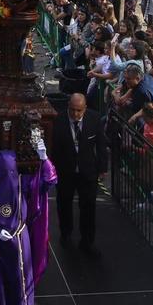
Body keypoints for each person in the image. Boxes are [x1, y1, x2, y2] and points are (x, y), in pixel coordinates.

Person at [0, 141, 57, 305]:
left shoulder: (21, 184)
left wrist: (44, 158)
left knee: (19, 278)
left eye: (12, 169)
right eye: (7, 170)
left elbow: (49, 181)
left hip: (19, 242)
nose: (10, 174)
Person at [50, 93, 107, 257]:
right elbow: (53, 147)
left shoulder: (94, 119)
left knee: (88, 207)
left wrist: (102, 168)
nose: (75, 114)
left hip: (87, 170)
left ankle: (87, 241)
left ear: (85, 108)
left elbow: (101, 145)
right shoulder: (58, 121)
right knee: (64, 203)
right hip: (65, 170)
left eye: (79, 111)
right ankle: (66, 234)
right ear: (68, 107)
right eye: (72, 110)